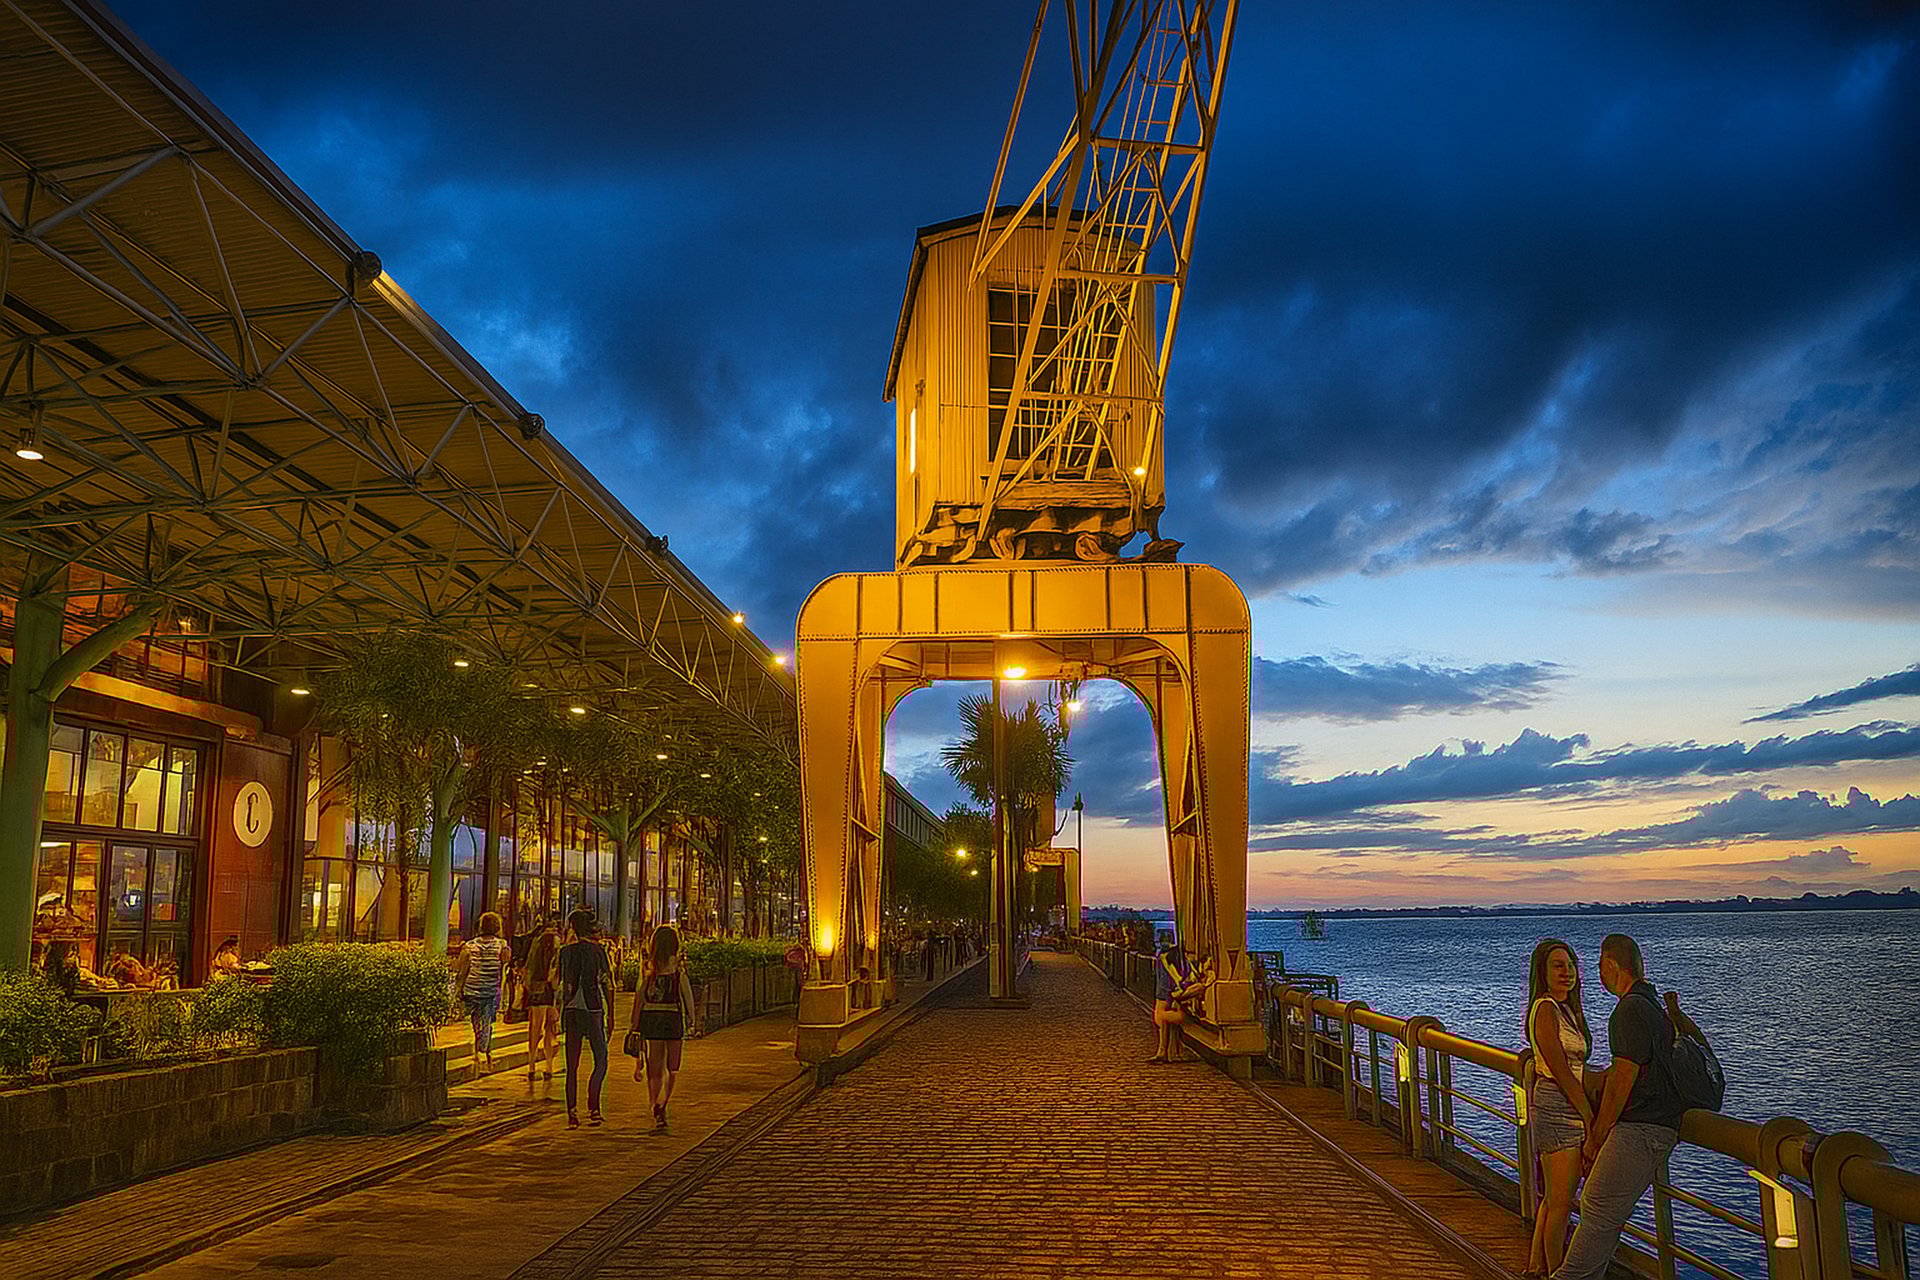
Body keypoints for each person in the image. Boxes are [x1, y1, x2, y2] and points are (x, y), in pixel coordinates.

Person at [1554, 934, 1685, 1280]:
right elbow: (1634, 1067)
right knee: (1603, 1212)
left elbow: (1623, 1081)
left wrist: (1596, 1136)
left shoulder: (1627, 1010)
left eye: (1599, 967)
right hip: (1659, 1125)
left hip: (1641, 1127)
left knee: (1596, 1205)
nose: (1597, 975)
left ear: (1612, 966)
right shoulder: (1651, 1005)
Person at [1524, 939, 1595, 1278]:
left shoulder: (1568, 1009)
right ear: (1543, 972)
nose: (1567, 972)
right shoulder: (1546, 1008)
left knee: (1554, 1198)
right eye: (1557, 965)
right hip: (1557, 1104)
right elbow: (1560, 1069)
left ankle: (1537, 1265)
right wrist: (1588, 1114)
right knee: (1562, 1204)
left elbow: (1578, 1068)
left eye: (1570, 965)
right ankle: (1558, 1272)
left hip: (1568, 1100)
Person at [633, 923, 695, 1132]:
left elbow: (639, 997)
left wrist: (635, 1023)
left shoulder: (649, 968)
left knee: (654, 1064)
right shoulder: (678, 970)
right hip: (673, 1017)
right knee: (673, 1066)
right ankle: (662, 1101)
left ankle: (653, 1102)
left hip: (651, 1017)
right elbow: (687, 996)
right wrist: (692, 1018)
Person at [557, 907, 613, 1128]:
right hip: (593, 1009)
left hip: (571, 1010)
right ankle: (594, 1107)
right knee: (601, 1058)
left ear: (572, 927)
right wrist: (612, 1012)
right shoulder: (599, 951)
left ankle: (572, 1112)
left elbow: (560, 983)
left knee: (572, 1065)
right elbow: (608, 984)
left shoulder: (565, 952)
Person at [454, 913, 510, 1074]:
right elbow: (505, 963)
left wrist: (459, 989)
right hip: (490, 991)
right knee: (486, 1022)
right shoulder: (501, 945)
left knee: (476, 1021)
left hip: (471, 989)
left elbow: (462, 969)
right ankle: (483, 1052)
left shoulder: (470, 946)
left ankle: (480, 1051)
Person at [1149, 942, 1201, 1064]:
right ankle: (1167, 1051)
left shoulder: (1165, 960)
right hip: (1176, 1000)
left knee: (1162, 1018)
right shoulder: (1190, 971)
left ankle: (1165, 1052)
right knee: (1164, 1019)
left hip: (1174, 1001)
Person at [523, 918, 561, 1082]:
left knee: (534, 1028)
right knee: (549, 1028)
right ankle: (548, 1065)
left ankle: (531, 1065)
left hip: (535, 989)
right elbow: (557, 969)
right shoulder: (556, 943)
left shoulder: (535, 943)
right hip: (550, 990)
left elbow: (529, 968)